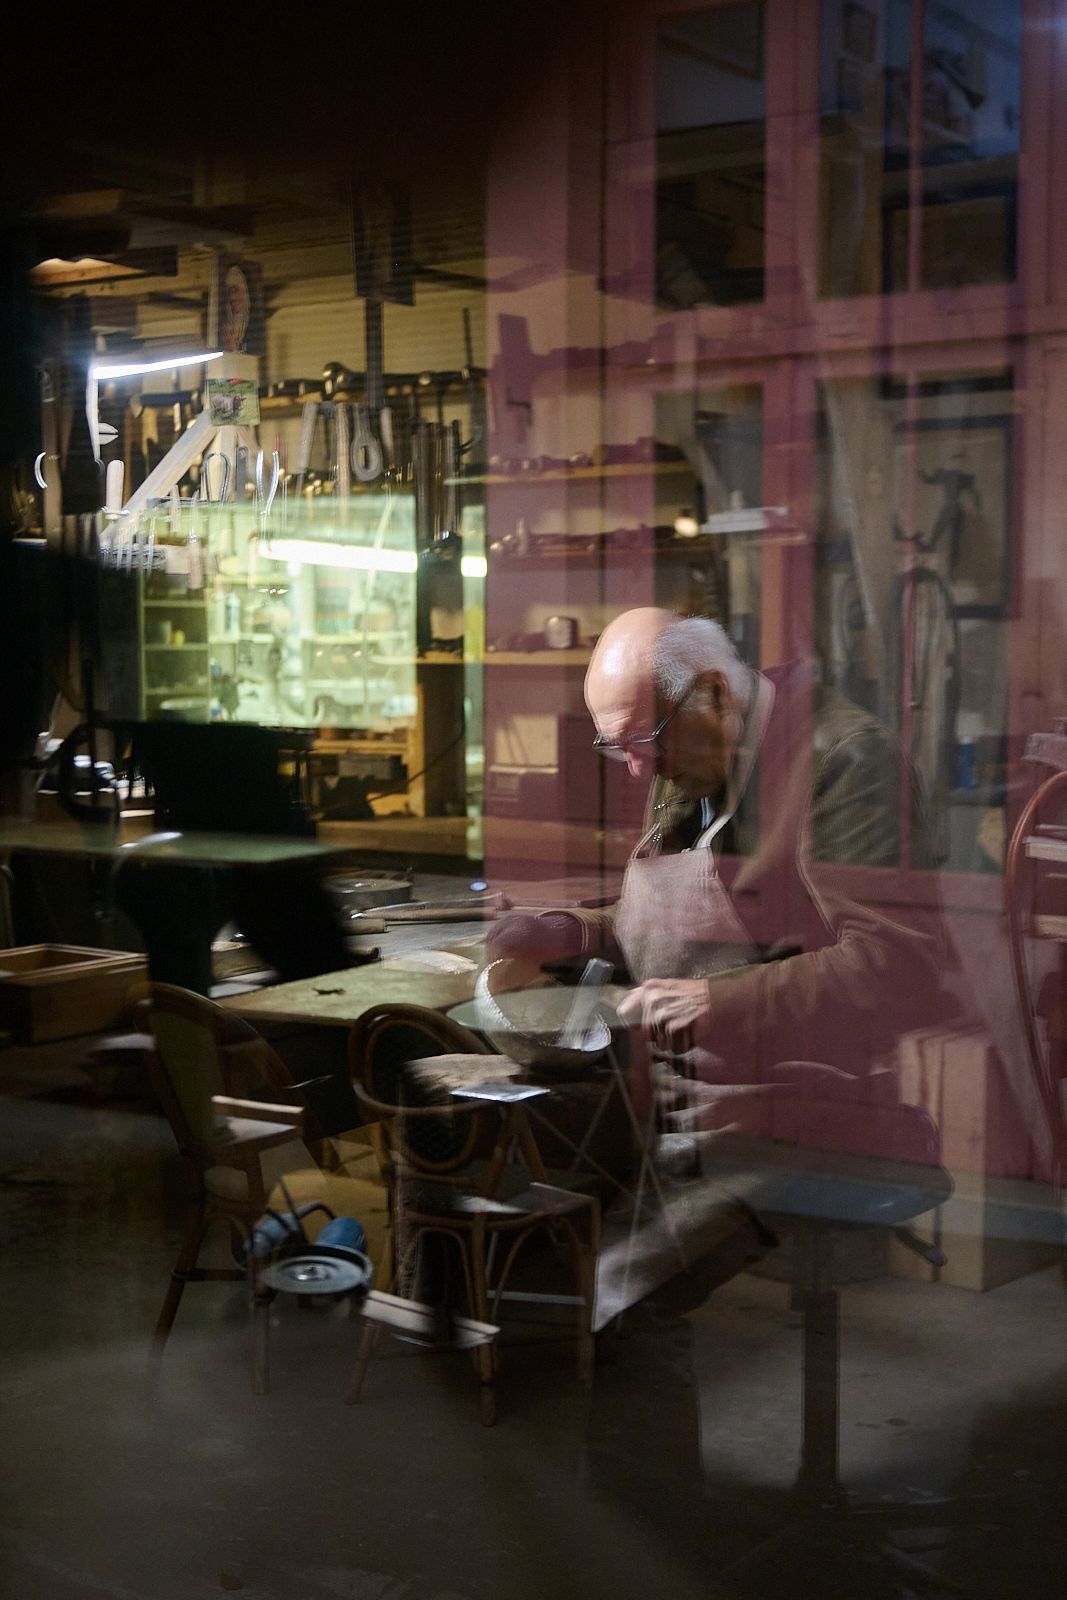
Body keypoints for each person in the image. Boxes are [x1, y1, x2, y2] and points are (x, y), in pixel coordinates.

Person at [490, 607, 950, 1108]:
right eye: (617, 748)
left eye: (642, 741)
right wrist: (573, 932)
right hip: (686, 1083)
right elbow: (675, 924)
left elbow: (896, 966)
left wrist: (716, 1002)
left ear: (713, 694)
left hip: (812, 1105)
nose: (638, 771)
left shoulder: (847, 759)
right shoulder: (681, 747)